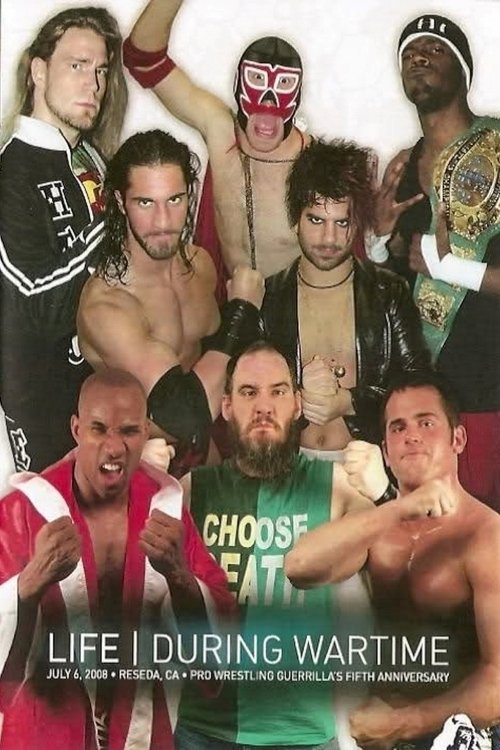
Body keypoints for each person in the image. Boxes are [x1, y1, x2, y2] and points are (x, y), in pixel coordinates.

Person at [0, 368, 234, 750]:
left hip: (142, 734)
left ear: (146, 432)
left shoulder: (165, 510)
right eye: (98, 429)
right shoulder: (23, 511)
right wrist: (29, 583)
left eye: (128, 431)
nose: (113, 447)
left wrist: (180, 576)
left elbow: (220, 643)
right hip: (44, 735)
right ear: (76, 429)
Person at [173, 340, 380, 750]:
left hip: (303, 735)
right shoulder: (193, 490)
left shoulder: (334, 485)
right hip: (203, 729)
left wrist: (383, 492)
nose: (264, 406)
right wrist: (142, 482)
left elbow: (389, 553)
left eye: (278, 391)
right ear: (227, 406)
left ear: (298, 404)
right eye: (249, 392)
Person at [285, 370, 500, 749]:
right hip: (379, 734)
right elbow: (299, 568)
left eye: (426, 423)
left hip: (461, 735)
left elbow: (497, 683)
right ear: (385, 451)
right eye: (398, 428)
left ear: (458, 439)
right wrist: (397, 507)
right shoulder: (378, 527)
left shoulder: (487, 536)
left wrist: (402, 723)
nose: (411, 436)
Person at [77, 129, 264, 476]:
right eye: (145, 203)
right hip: (135, 474)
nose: (163, 222)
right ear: (120, 201)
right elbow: (181, 415)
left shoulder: (200, 266)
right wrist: (243, 310)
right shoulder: (108, 306)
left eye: (175, 200)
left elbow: (222, 363)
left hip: (206, 458)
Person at [373, 14, 500, 509]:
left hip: (490, 396)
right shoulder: (400, 169)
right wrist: (376, 239)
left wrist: (451, 269)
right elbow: (391, 286)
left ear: (464, 70)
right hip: (420, 403)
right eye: (409, 53)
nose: (418, 58)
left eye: (434, 48)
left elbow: (437, 266)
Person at [0, 6, 128, 473]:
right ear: (38, 71)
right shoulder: (12, 171)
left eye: (101, 71)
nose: (93, 84)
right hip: (45, 415)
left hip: (107, 404)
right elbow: (35, 300)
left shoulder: (92, 158)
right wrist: (115, 225)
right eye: (77, 65)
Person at [123, 0, 313, 285]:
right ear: (238, 83)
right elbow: (143, 58)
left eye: (283, 83)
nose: (268, 98)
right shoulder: (221, 131)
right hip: (225, 303)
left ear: (297, 95)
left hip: (291, 308)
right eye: (257, 79)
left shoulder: (314, 166)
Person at [262, 139, 430, 457]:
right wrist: (295, 400)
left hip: (367, 468)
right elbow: (245, 398)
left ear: (358, 223)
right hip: (286, 468)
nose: (330, 238)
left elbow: (421, 390)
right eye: (316, 220)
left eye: (342, 222)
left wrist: (350, 402)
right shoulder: (268, 298)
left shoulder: (389, 293)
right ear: (295, 219)